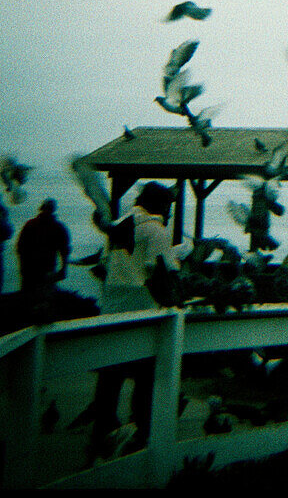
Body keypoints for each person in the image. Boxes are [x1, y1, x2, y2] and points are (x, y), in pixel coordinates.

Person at [88, 181, 192, 461]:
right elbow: (158, 271)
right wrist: (174, 303)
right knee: (146, 375)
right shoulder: (156, 230)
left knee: (110, 377)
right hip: (141, 314)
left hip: (110, 310)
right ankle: (141, 434)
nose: (170, 212)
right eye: (169, 206)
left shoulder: (120, 225)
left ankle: (102, 434)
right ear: (160, 205)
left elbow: (102, 267)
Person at [16, 199, 71, 294]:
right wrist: (63, 268)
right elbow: (64, 250)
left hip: (30, 268)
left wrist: (23, 266)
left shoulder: (30, 224)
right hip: (45, 268)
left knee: (28, 295)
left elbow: (20, 247)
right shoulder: (58, 227)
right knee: (45, 296)